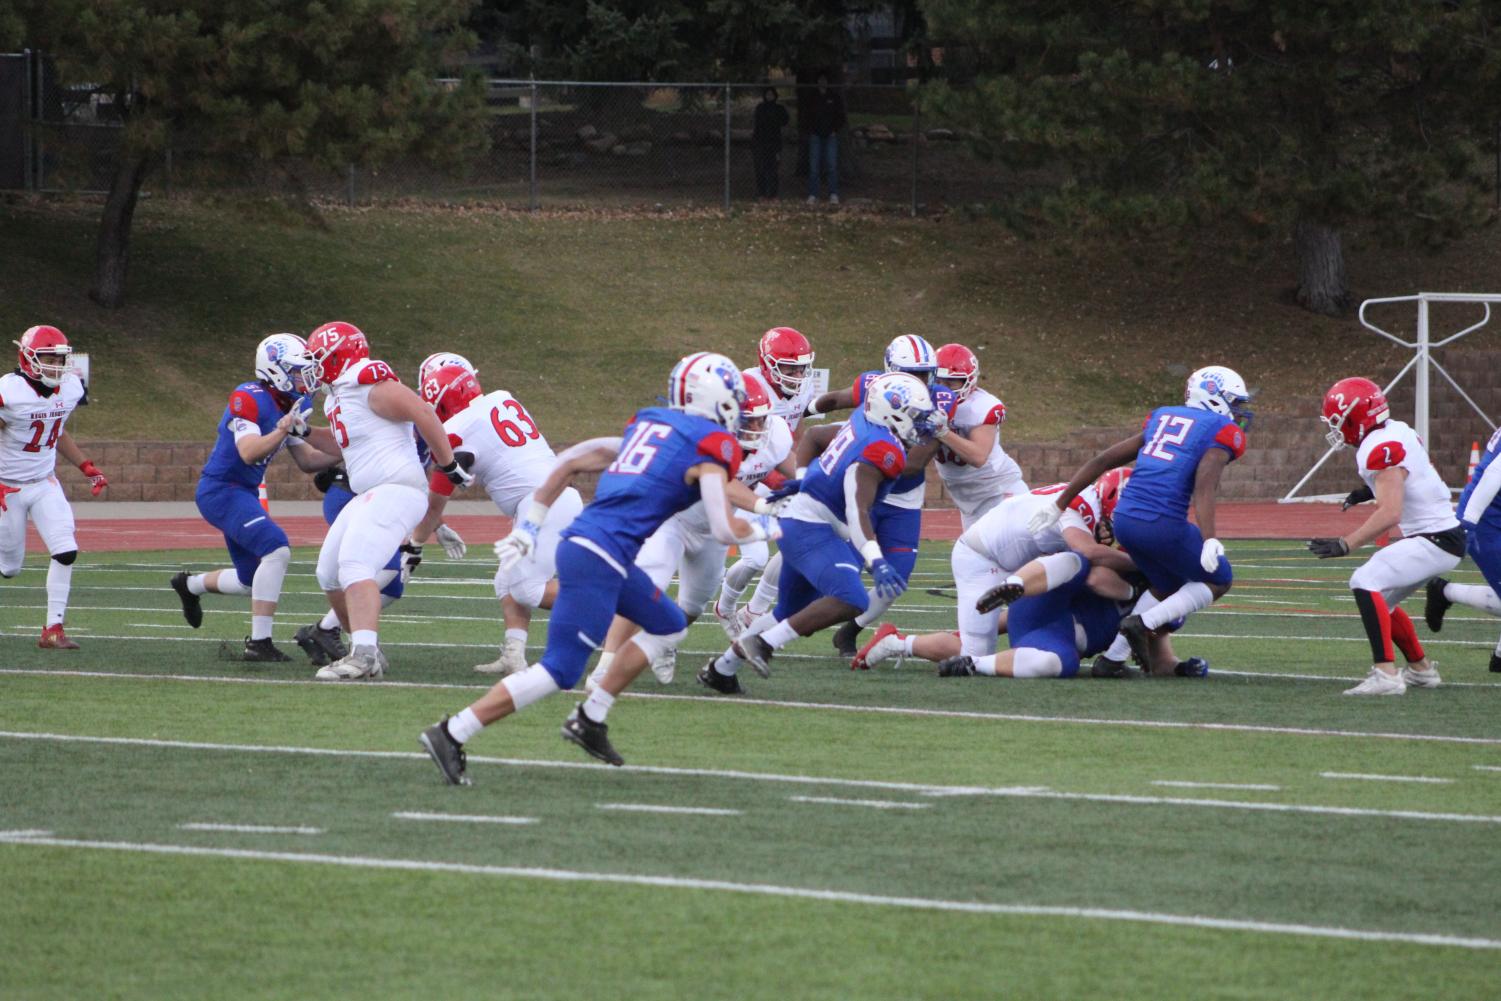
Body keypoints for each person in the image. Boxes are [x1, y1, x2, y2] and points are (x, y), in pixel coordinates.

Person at [418, 353, 778, 784]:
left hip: (595, 548)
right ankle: (453, 732)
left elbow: (572, 460)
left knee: (668, 624)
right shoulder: (712, 443)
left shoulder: (652, 422)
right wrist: (773, 523)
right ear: (715, 400)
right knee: (560, 670)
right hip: (600, 554)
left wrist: (532, 520)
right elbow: (723, 527)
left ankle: (591, 717)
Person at [698, 372, 940, 692]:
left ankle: (721, 669)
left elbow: (821, 442)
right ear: (890, 412)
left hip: (806, 518)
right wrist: (875, 558)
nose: (921, 424)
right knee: (852, 598)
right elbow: (858, 509)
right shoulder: (883, 448)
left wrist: (807, 481)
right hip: (812, 526)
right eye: (914, 416)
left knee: (790, 610)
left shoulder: (865, 423)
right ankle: (765, 643)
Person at [1027, 366, 1251, 668]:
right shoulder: (1221, 430)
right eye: (1234, 402)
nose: (1238, 412)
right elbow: (1205, 486)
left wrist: (1058, 504)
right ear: (1212, 396)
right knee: (1221, 579)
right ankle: (1143, 624)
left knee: (1166, 584)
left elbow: (1103, 459)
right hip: (1162, 523)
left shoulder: (1162, 416)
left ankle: (1111, 661)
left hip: (1125, 519)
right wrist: (1210, 538)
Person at [588, 375, 795, 686]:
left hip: (714, 527)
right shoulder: (703, 437)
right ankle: (606, 664)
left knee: (692, 606)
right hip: (672, 517)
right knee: (648, 583)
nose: (757, 429)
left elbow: (791, 467)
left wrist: (808, 487)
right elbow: (725, 483)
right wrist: (764, 507)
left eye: (761, 420)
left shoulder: (774, 433)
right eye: (749, 421)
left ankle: (661, 642)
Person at [307, 320, 474, 681]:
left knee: (355, 564)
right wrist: (300, 431)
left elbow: (422, 411)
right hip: (370, 491)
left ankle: (364, 654)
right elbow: (341, 445)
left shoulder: (366, 379)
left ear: (340, 355)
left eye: (319, 358)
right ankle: (365, 649)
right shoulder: (340, 394)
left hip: (395, 488)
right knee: (328, 573)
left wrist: (447, 464)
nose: (315, 367)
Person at [171, 334, 341, 661]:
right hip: (221, 489)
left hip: (243, 491)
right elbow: (248, 452)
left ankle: (190, 585)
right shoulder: (247, 397)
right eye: (295, 371)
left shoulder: (294, 404)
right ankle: (259, 643)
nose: (303, 379)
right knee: (275, 548)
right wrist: (281, 429)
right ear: (275, 370)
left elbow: (307, 460)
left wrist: (345, 455)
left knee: (251, 579)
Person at [851, 472, 1132, 669]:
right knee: (972, 655)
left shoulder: (1085, 499)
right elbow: (1088, 552)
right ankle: (895, 643)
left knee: (1055, 581)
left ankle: (967, 631)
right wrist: (1140, 567)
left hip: (1011, 557)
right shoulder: (1076, 509)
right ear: (1110, 499)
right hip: (982, 559)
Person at [410, 362, 583, 675]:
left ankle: (617, 603)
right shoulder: (502, 398)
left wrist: (416, 542)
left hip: (543, 502)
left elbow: (436, 500)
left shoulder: (457, 427)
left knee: (528, 589)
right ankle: (513, 654)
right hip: (546, 499)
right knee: (506, 580)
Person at [1310, 377, 1459, 695]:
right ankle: (1421, 670)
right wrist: (1366, 491)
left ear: (1355, 417)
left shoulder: (1379, 447)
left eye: (1338, 421)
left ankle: (1386, 675)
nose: (1336, 429)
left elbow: (1391, 512)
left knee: (1364, 581)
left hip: (1434, 538)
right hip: (1440, 535)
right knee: (1384, 602)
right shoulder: (1397, 430)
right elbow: (1411, 472)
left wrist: (1345, 543)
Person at [810, 334, 950, 658]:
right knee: (839, 563)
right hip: (866, 490)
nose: (920, 383)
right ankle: (778, 611)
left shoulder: (941, 402)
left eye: (925, 374)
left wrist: (873, 456)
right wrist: (799, 411)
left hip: (902, 498)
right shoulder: (873, 386)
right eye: (912, 374)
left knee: (897, 576)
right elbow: (833, 400)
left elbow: (914, 464)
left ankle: (850, 630)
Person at [0, 325, 108, 649]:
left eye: (60, 360)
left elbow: (54, 429)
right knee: (9, 567)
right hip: (7, 488)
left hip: (45, 482)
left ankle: (53, 629)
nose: (56, 367)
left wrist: (86, 466)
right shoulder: (10, 391)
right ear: (29, 358)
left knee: (66, 549)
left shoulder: (70, 387)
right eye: (49, 358)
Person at [714, 326, 817, 634]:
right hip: (731, 476)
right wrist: (773, 478)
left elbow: (789, 437)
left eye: (801, 368)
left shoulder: (803, 389)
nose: (796, 375)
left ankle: (754, 611)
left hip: (763, 471)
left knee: (795, 540)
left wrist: (800, 477)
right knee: (755, 558)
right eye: (789, 367)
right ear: (767, 364)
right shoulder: (745, 387)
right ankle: (726, 606)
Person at [1425, 424, 1501, 674]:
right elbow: (1494, 474)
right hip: (1486, 521)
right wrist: (1468, 523)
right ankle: (1445, 591)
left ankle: (1445, 591)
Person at [930, 342, 1028, 529]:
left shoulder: (980, 406)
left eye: (950, 383)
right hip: (968, 502)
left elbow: (978, 456)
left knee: (1012, 555)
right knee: (974, 557)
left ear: (969, 381)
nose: (943, 389)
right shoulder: (925, 401)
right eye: (938, 382)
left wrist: (943, 432)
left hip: (999, 492)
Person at [804, 74, 846, 205]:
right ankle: (813, 194)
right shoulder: (812, 97)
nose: (822, 82)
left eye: (825, 80)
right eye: (820, 80)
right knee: (814, 166)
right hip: (815, 135)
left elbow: (841, 116)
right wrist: (811, 130)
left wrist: (834, 130)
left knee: (831, 165)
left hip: (830, 136)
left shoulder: (834, 97)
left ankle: (833, 194)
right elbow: (806, 115)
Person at [752, 87, 790, 199]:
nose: (769, 96)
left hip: (774, 143)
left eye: (771, 94)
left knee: (773, 170)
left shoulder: (779, 108)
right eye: (767, 94)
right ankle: (762, 193)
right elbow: (758, 123)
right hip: (760, 142)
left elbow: (785, 121)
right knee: (760, 169)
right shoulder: (760, 108)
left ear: (775, 96)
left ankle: (773, 194)